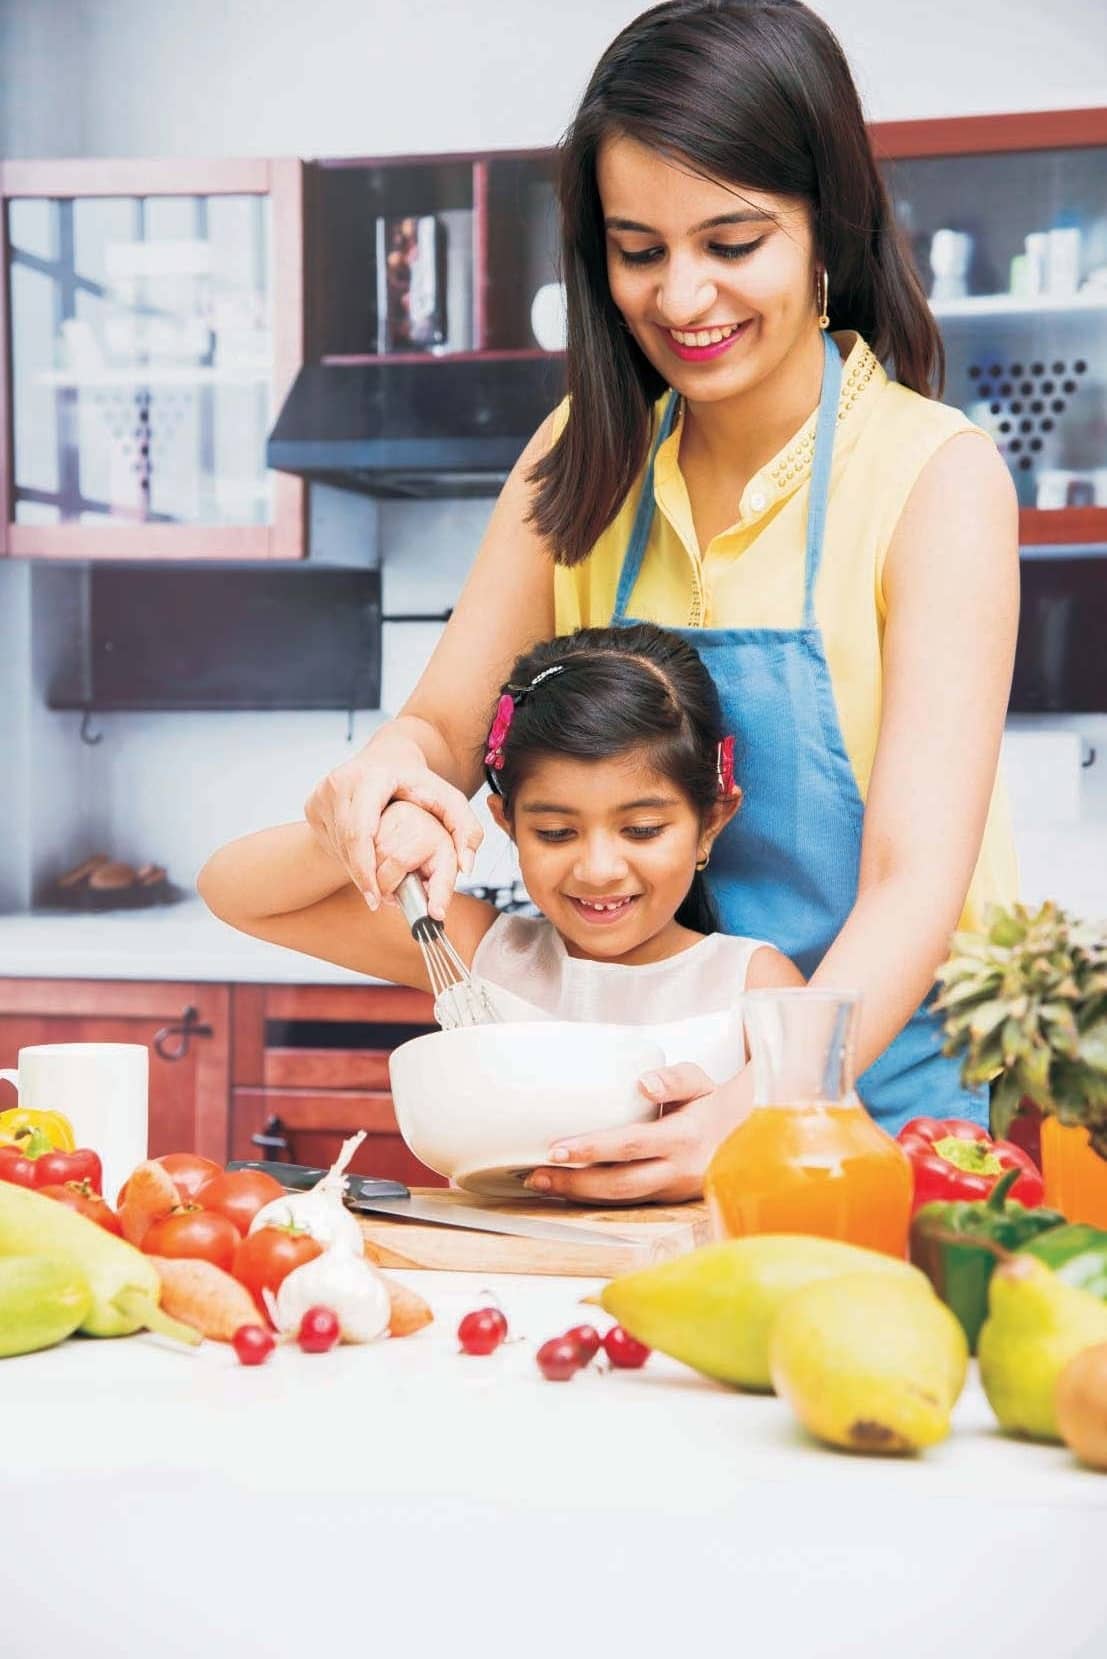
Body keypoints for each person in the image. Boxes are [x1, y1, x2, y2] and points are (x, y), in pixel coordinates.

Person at [298, 0, 1019, 1201]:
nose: (684, 298)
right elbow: (440, 731)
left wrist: (765, 1105)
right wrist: (391, 773)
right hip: (628, 1117)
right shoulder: (580, 453)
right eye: (640, 251)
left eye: (733, 243)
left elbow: (913, 885)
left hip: (877, 1114)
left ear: (824, 227)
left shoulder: (934, 478)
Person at [198, 625, 806, 1176]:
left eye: (642, 830)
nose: (597, 869)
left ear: (710, 824)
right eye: (555, 833)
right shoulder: (480, 957)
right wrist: (362, 832)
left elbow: (814, 1157)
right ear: (506, 822)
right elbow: (232, 890)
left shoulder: (753, 982)